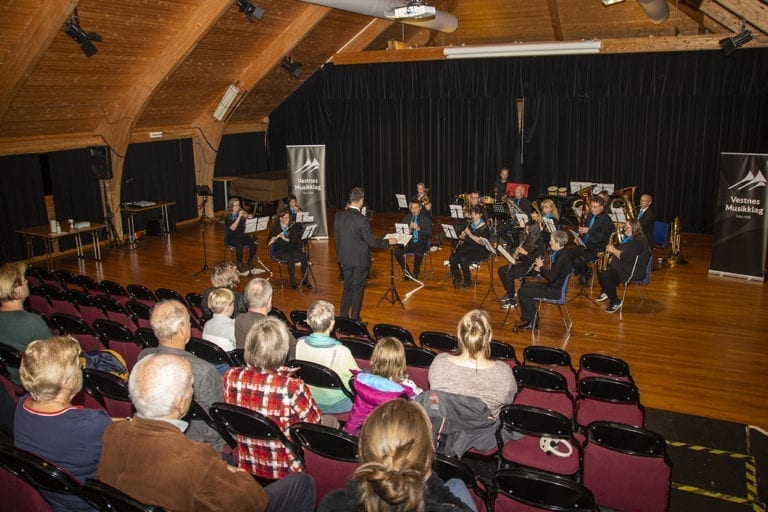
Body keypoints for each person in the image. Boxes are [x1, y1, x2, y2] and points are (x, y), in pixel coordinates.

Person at [97, 353, 316, 512]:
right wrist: (239, 475)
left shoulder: (112, 433)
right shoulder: (196, 461)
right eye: (190, 387)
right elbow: (255, 502)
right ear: (181, 404)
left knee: (223, 456)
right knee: (303, 483)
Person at [223, 316, 337, 479]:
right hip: (286, 470)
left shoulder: (230, 376)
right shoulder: (291, 386)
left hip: (247, 462)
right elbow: (315, 427)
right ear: (282, 349)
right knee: (330, 422)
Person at [318, 399, 476, 512]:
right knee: (457, 484)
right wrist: (427, 474)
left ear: (363, 451)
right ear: (427, 455)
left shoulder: (332, 503)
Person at [15, 336, 112, 512]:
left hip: (55, 500)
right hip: (92, 505)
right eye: (78, 366)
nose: (81, 369)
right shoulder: (90, 424)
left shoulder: (22, 405)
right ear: (66, 382)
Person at [138, 300, 226, 451]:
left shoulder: (144, 357)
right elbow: (219, 421)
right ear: (181, 329)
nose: (190, 325)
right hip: (201, 446)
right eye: (188, 322)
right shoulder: (203, 371)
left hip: (155, 437)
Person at [428, 310, 517, 418]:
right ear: (489, 337)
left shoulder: (439, 363)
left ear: (459, 336)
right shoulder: (503, 373)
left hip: (444, 428)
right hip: (482, 432)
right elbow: (509, 400)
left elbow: (433, 402)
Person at [334, 187, 392, 320]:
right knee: (358, 290)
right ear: (361, 201)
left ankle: (343, 317)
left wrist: (341, 255)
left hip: (345, 258)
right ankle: (355, 320)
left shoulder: (339, 216)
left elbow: (337, 239)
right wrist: (388, 242)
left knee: (348, 287)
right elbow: (372, 242)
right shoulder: (363, 219)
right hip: (360, 260)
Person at [344, 337, 422, 437]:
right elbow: (419, 405)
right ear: (401, 362)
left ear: (374, 358)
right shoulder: (407, 389)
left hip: (371, 431)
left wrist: (349, 434)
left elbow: (357, 413)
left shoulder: (363, 382)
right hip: (393, 432)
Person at [294, 300, 359, 414]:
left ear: (308, 322)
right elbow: (355, 381)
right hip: (336, 403)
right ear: (332, 323)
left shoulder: (298, 344)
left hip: (307, 397)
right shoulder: (341, 352)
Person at [0, 262, 50, 384]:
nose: (27, 282)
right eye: (23, 280)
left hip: (6, 381)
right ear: (16, 290)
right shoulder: (32, 322)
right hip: (28, 381)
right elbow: (52, 359)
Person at [515, 230, 573, 331]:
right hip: (554, 286)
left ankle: (532, 322)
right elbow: (554, 274)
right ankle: (528, 317)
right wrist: (540, 269)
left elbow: (551, 277)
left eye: (551, 241)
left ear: (558, 242)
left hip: (554, 291)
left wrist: (541, 268)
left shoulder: (561, 258)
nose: (550, 242)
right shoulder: (562, 253)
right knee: (525, 285)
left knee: (523, 292)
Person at [596, 219, 652, 313]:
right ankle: (607, 290)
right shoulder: (632, 239)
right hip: (626, 267)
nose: (624, 229)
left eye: (627, 227)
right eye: (625, 226)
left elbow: (625, 257)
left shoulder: (638, 241)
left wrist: (613, 250)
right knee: (600, 267)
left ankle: (615, 300)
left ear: (634, 228)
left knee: (605, 274)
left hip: (633, 272)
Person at [234, 278, 296, 360]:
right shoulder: (278, 329)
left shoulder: (239, 320)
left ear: (246, 299)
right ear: (269, 301)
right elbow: (296, 353)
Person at [498, 220, 547, 309]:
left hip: (532, 268)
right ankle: (510, 291)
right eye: (525, 229)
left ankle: (512, 300)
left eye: (527, 229)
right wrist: (518, 257)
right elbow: (524, 257)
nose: (525, 231)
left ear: (533, 230)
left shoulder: (540, 244)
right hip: (524, 264)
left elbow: (536, 261)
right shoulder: (528, 239)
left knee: (508, 274)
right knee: (501, 270)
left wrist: (525, 253)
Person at [569, 195, 614, 285]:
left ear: (601, 207)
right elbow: (585, 232)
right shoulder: (590, 216)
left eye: (595, 207)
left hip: (597, 248)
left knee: (578, 260)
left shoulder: (606, 219)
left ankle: (585, 272)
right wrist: (579, 237)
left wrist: (589, 230)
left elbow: (604, 237)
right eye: (591, 206)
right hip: (586, 245)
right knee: (567, 254)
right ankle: (585, 271)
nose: (592, 209)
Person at [449, 206, 491, 288]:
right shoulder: (470, 224)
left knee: (463, 260)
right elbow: (466, 237)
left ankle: (468, 281)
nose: (472, 216)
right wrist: (462, 236)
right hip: (467, 247)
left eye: (475, 214)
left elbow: (482, 242)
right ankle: (458, 277)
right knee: (452, 258)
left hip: (479, 250)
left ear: (480, 215)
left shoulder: (484, 228)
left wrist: (470, 235)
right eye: (472, 214)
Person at [268, 208, 311, 289]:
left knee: (304, 256)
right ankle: (292, 282)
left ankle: (305, 279)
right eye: (286, 218)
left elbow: (294, 241)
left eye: (288, 217)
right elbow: (268, 243)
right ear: (281, 218)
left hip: (291, 248)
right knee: (290, 259)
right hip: (280, 251)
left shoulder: (291, 227)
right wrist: (272, 240)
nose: (288, 220)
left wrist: (284, 238)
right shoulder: (275, 228)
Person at [394, 198, 432, 281]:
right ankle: (407, 273)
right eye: (412, 208)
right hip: (410, 243)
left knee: (418, 253)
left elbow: (429, 234)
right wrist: (408, 231)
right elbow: (401, 232)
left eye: (416, 208)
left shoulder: (426, 218)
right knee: (397, 252)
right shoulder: (407, 218)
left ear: (420, 208)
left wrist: (418, 228)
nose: (414, 210)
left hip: (422, 243)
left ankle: (415, 273)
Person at [225, 197, 257, 276]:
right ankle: (239, 264)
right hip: (232, 237)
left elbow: (244, 227)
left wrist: (246, 218)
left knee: (254, 243)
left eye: (238, 205)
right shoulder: (228, 217)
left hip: (241, 235)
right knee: (239, 245)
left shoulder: (241, 214)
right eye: (235, 205)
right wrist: (239, 217)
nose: (237, 207)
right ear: (231, 206)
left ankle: (249, 261)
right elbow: (233, 228)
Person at [202, 287, 237, 352]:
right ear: (227, 308)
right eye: (233, 304)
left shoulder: (207, 324)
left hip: (213, 356)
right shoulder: (233, 328)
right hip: (228, 359)